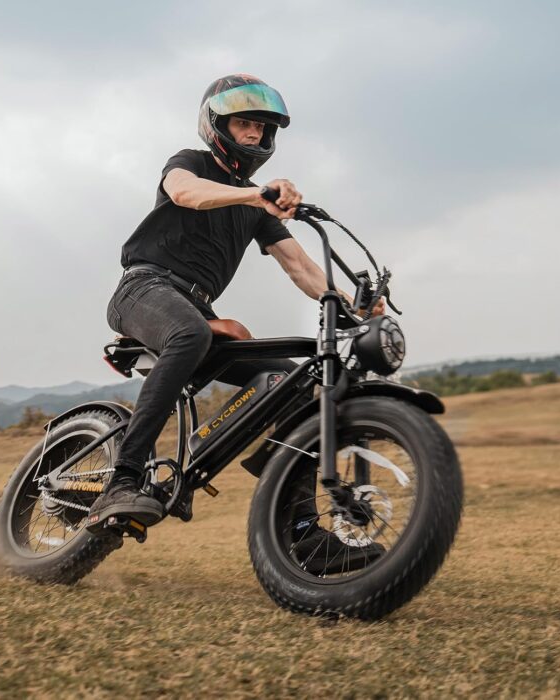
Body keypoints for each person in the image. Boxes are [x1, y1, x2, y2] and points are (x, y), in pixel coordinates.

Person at [87, 75, 384, 570]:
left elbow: (302, 268)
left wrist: (356, 304)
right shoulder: (191, 164)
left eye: (261, 127)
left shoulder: (256, 207)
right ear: (217, 126)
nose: (253, 134)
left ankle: (303, 533)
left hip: (197, 309)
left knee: (295, 381)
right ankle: (122, 480)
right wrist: (252, 196)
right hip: (144, 288)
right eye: (244, 123)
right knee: (190, 333)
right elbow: (187, 194)